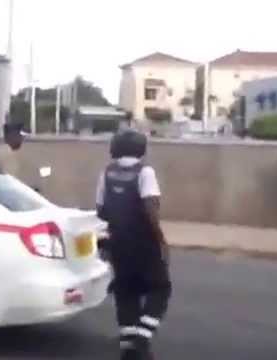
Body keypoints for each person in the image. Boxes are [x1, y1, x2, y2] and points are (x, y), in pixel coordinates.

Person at [96, 129, 171, 360]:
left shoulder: (106, 173)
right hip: (144, 242)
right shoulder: (145, 172)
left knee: (126, 291)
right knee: (160, 288)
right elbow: (150, 207)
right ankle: (143, 337)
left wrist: (107, 241)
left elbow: (100, 208)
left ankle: (129, 344)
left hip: (117, 241)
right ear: (141, 149)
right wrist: (161, 240)